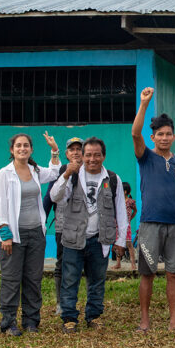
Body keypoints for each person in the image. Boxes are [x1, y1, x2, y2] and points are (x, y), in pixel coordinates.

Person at [51, 137, 127, 332]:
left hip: (99, 239)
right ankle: (69, 318)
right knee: (70, 279)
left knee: (97, 280)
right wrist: (67, 173)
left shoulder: (112, 178)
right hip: (73, 238)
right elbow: (55, 196)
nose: (92, 159)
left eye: (97, 155)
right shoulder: (74, 176)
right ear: (82, 156)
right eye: (88, 155)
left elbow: (120, 211)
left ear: (103, 156)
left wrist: (120, 240)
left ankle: (93, 315)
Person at [132, 87, 175, 333]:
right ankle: (145, 321)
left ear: (174, 137)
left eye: (168, 134)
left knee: (174, 274)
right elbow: (136, 134)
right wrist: (144, 104)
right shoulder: (145, 156)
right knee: (147, 274)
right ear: (153, 137)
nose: (164, 138)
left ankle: (174, 321)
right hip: (149, 223)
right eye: (160, 134)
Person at [0, 132, 61, 335]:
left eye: (26, 146)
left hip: (35, 234)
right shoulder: (4, 174)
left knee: (33, 278)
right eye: (18, 146)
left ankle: (31, 321)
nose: (22, 149)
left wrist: (55, 150)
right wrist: (5, 234)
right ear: (12, 150)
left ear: (31, 149)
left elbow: (55, 172)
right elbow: (0, 204)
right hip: (13, 236)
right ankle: (8, 322)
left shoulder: (35, 170)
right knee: (11, 279)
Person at [42, 137, 83, 314]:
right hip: (62, 227)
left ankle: (79, 301)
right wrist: (41, 222)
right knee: (62, 264)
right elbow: (49, 198)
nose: (75, 152)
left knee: (82, 265)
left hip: (84, 228)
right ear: (66, 154)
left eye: (78, 149)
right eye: (71, 149)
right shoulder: (60, 171)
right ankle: (60, 302)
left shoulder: (91, 171)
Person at [112, 182, 137, 271]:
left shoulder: (130, 202)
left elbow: (135, 211)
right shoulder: (117, 201)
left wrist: (130, 219)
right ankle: (118, 263)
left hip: (126, 226)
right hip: (118, 226)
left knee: (129, 245)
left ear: (125, 192)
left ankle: (133, 264)